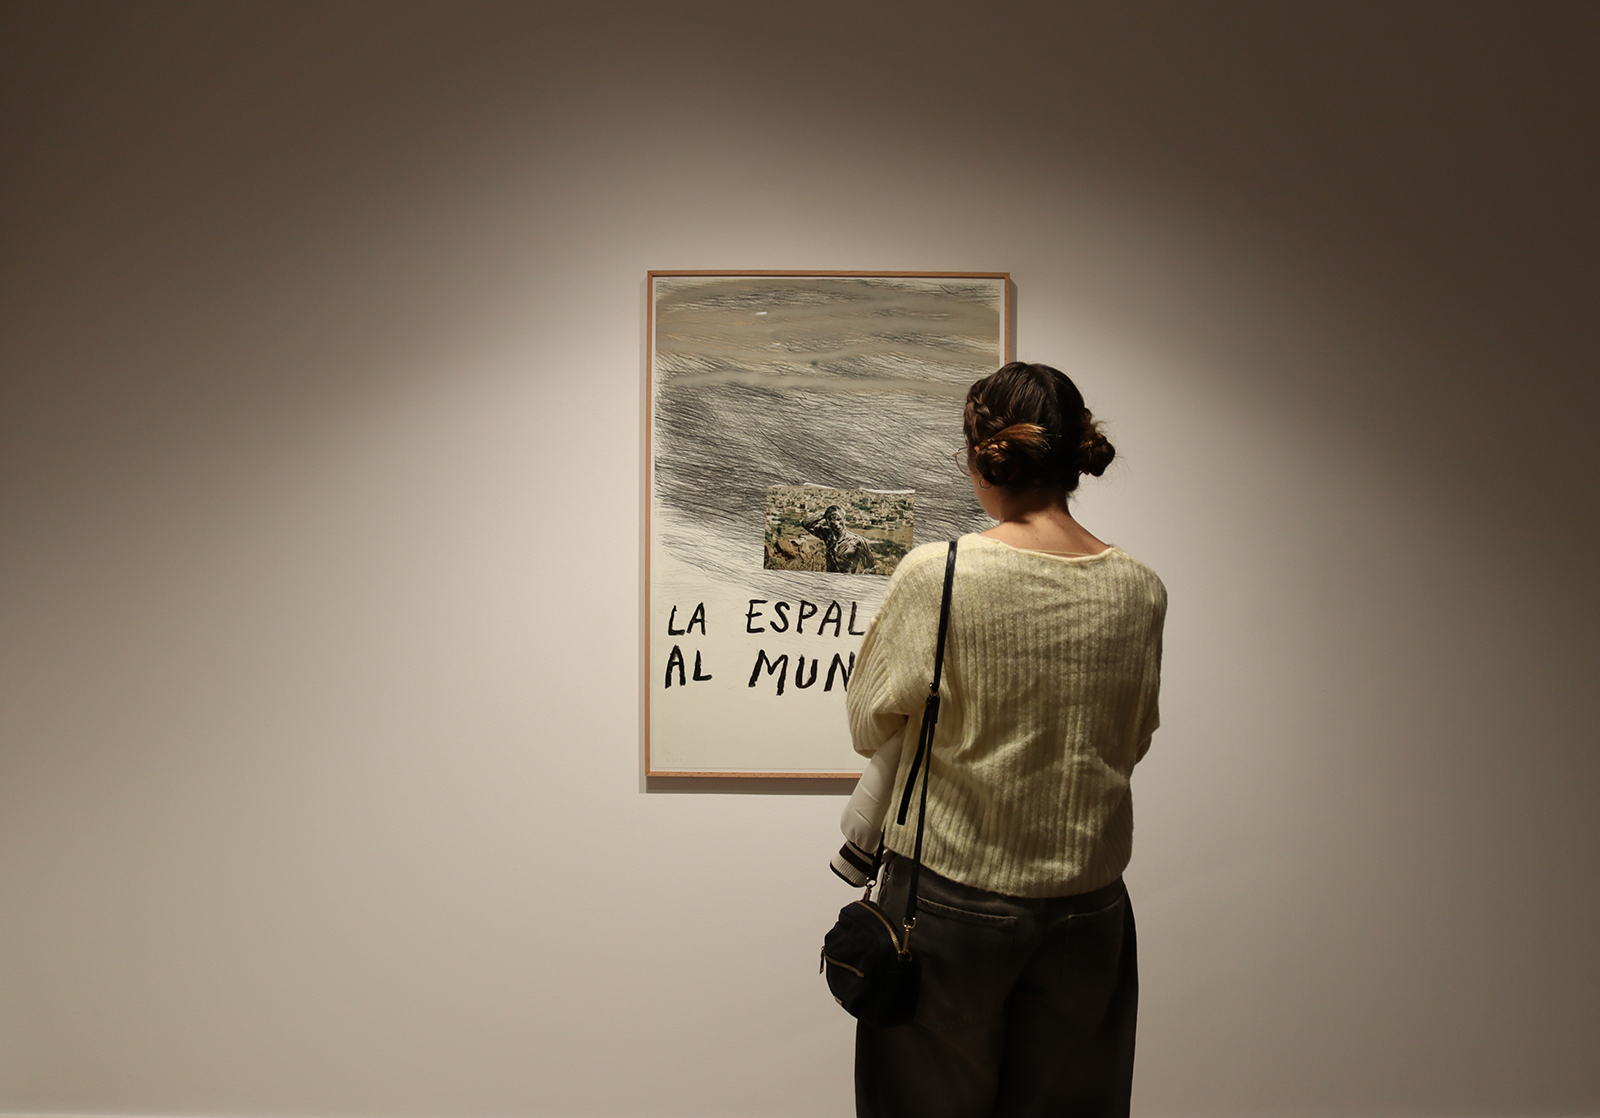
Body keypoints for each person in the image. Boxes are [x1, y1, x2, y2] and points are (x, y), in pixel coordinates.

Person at [841, 361, 1166, 1118]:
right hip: (1090, 911)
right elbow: (1134, 738)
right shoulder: (1140, 588)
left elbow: (867, 724)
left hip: (946, 904)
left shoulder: (939, 573)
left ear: (982, 459)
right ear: (1074, 458)